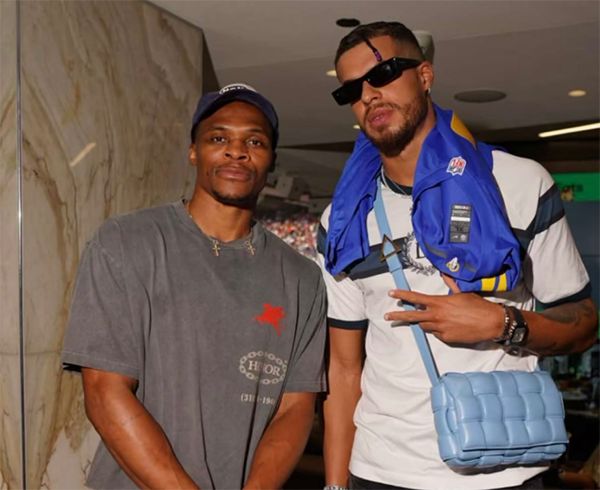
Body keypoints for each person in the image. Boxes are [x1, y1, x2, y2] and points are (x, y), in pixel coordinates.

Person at [317, 21, 598, 490]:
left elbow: (584, 323)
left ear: (425, 75)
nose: (368, 94)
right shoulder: (343, 219)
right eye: (351, 89)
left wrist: (502, 323)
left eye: (383, 73)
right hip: (381, 471)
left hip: (507, 468)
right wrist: (333, 485)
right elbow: (344, 369)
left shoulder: (520, 183)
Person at [62, 84, 327, 490]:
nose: (236, 151)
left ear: (271, 160)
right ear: (193, 152)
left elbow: (295, 408)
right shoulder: (125, 243)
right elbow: (104, 393)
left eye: (254, 141)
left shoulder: (301, 277)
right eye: (218, 138)